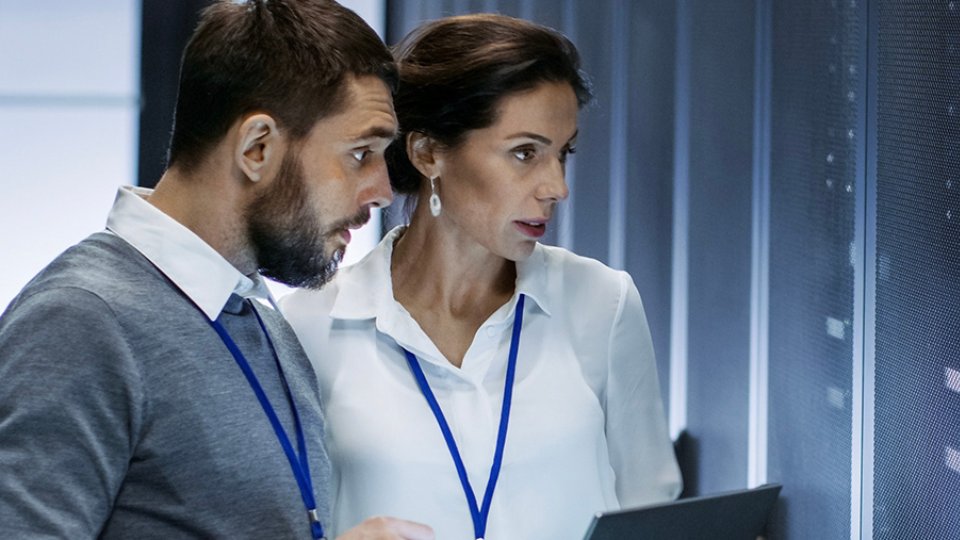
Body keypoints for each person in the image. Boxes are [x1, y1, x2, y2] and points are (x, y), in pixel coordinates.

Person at [0, 1, 433, 539]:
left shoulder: (258, 317)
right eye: (360, 153)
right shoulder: (81, 320)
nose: (382, 191)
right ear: (257, 148)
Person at [280, 13, 683, 540]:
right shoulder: (307, 329)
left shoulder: (602, 304)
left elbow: (650, 514)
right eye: (525, 153)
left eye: (563, 154)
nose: (556, 186)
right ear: (427, 152)